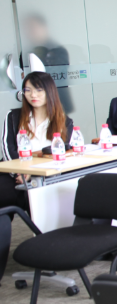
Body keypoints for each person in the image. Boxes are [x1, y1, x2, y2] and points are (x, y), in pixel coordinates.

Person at [1, 71, 74, 212]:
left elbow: (62, 154)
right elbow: (7, 148)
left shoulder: (64, 121)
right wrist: (21, 172)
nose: (33, 95)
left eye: (39, 90)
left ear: (50, 91)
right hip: (16, 173)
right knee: (4, 194)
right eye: (28, 90)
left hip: (48, 175)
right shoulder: (13, 116)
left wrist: (33, 173)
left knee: (41, 198)